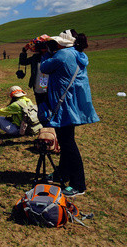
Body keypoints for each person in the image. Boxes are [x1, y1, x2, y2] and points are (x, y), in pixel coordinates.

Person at [38, 29, 100, 197]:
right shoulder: (76, 53)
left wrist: (45, 52)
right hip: (71, 105)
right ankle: (63, 174)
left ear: (61, 44)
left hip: (64, 106)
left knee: (69, 145)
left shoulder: (62, 55)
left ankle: (78, 185)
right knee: (66, 143)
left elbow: (44, 67)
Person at [19, 35, 51, 105]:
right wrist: (24, 51)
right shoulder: (35, 57)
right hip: (38, 88)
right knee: (40, 107)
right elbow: (23, 62)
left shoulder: (53, 56)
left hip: (49, 88)